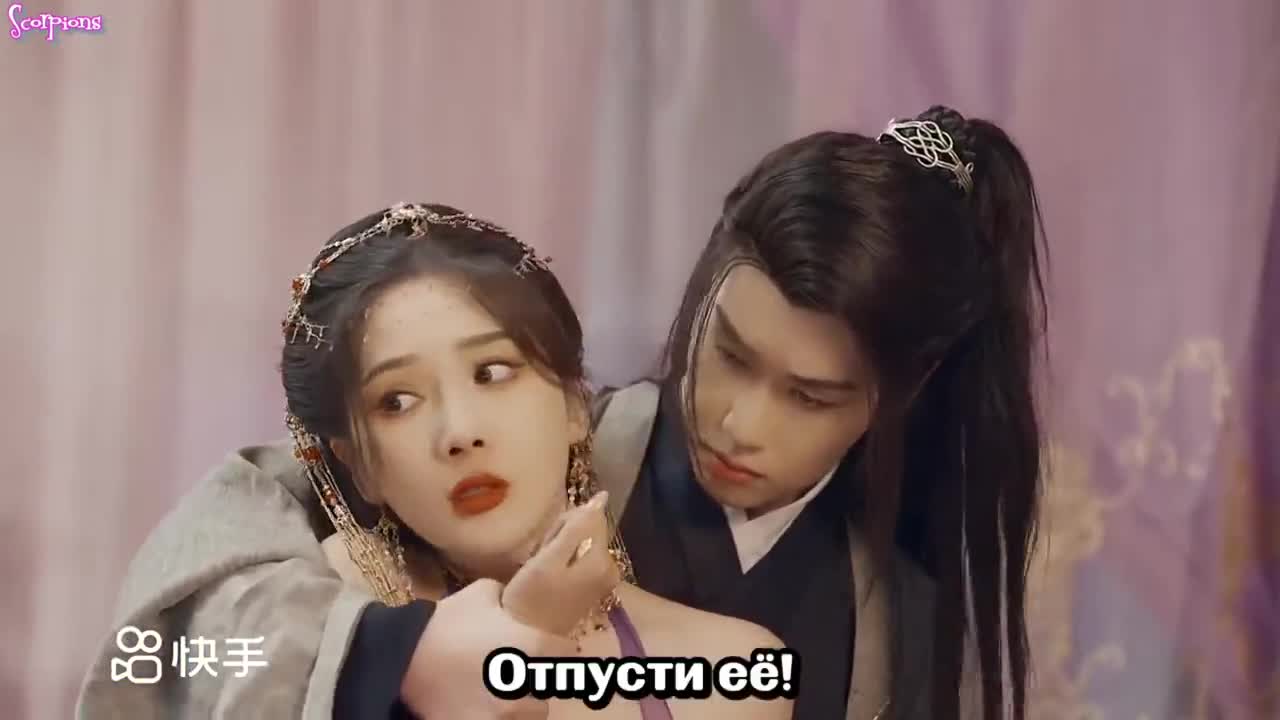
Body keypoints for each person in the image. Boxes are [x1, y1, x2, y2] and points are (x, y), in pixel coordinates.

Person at [76, 202, 792, 720]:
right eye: (397, 401)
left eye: (492, 373)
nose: (458, 433)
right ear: (359, 466)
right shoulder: (300, 648)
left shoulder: (729, 674)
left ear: (576, 404)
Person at [590, 105, 1049, 720]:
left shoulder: (898, 628)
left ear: (908, 390)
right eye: (730, 354)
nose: (741, 427)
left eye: (810, 398)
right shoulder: (560, 462)